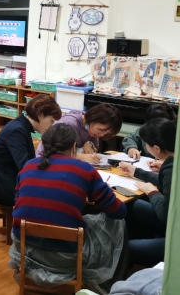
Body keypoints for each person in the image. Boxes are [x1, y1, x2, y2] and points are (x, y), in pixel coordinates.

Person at [9, 123, 126, 293]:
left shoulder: (28, 166)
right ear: (73, 147)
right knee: (117, 223)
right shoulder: (84, 169)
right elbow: (118, 211)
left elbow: (18, 201)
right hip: (65, 256)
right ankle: (113, 284)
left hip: (25, 250)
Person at [0, 94, 62, 206]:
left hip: (7, 180)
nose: (52, 126)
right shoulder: (17, 130)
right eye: (51, 121)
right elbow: (25, 166)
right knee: (51, 198)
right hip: (3, 187)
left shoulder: (21, 126)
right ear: (40, 115)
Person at [119, 118, 176, 267]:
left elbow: (165, 215)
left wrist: (152, 192)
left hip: (175, 230)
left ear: (156, 149)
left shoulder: (171, 169)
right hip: (174, 221)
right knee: (133, 205)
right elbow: (166, 180)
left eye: (146, 144)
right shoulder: (172, 163)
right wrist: (137, 172)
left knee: (128, 247)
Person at [36, 103, 123, 164]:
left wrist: (88, 143)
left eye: (106, 133)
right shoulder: (68, 124)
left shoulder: (91, 128)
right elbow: (50, 151)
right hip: (45, 163)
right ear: (93, 118)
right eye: (100, 129)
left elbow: (94, 147)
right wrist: (80, 157)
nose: (102, 135)